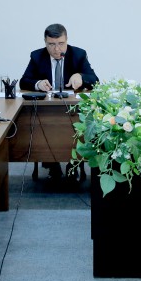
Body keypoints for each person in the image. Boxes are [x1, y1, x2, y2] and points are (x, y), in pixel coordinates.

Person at [21, 23, 99, 181]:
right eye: (51, 44)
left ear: (67, 40)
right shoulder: (37, 56)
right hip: (47, 110)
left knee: (74, 126)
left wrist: (81, 77)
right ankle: (51, 163)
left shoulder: (78, 54)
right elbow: (24, 81)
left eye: (61, 44)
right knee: (46, 124)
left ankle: (73, 163)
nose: (57, 49)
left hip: (72, 110)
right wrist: (38, 83)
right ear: (45, 42)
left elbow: (95, 80)